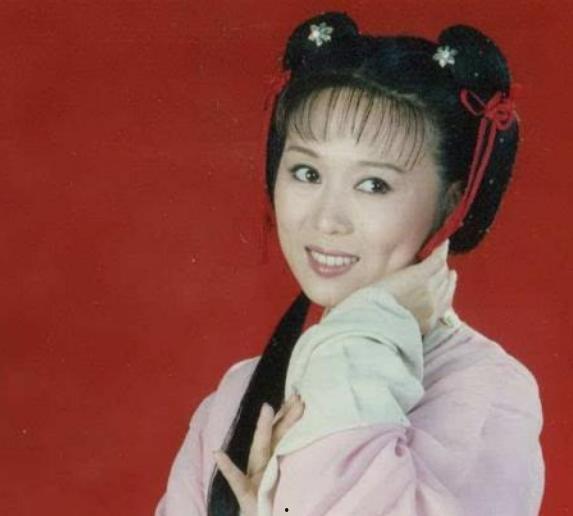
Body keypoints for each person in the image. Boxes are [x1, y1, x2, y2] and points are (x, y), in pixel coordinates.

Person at [154, 11, 545, 516]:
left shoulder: (486, 390)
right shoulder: (240, 391)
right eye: (306, 172)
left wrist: (368, 327)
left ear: (452, 203)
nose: (326, 219)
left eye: (374, 184)